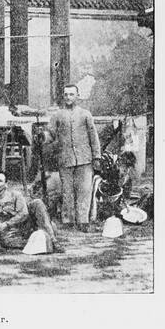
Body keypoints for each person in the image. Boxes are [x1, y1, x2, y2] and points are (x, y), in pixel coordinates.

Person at [0, 171, 60, 252]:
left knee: (37, 202)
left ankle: (53, 241)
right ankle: (40, 238)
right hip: (10, 231)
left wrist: (7, 224)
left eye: (0, 181)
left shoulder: (15, 195)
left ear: (6, 184)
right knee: (5, 241)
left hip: (25, 224)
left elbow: (24, 214)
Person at [49, 84, 100, 230]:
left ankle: (83, 221)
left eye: (71, 94)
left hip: (85, 159)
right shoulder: (58, 115)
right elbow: (51, 134)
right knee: (67, 191)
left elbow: (93, 136)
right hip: (65, 159)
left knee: (84, 190)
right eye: (66, 94)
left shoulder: (85, 114)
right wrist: (42, 137)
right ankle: (68, 221)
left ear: (77, 96)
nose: (68, 97)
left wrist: (97, 157)